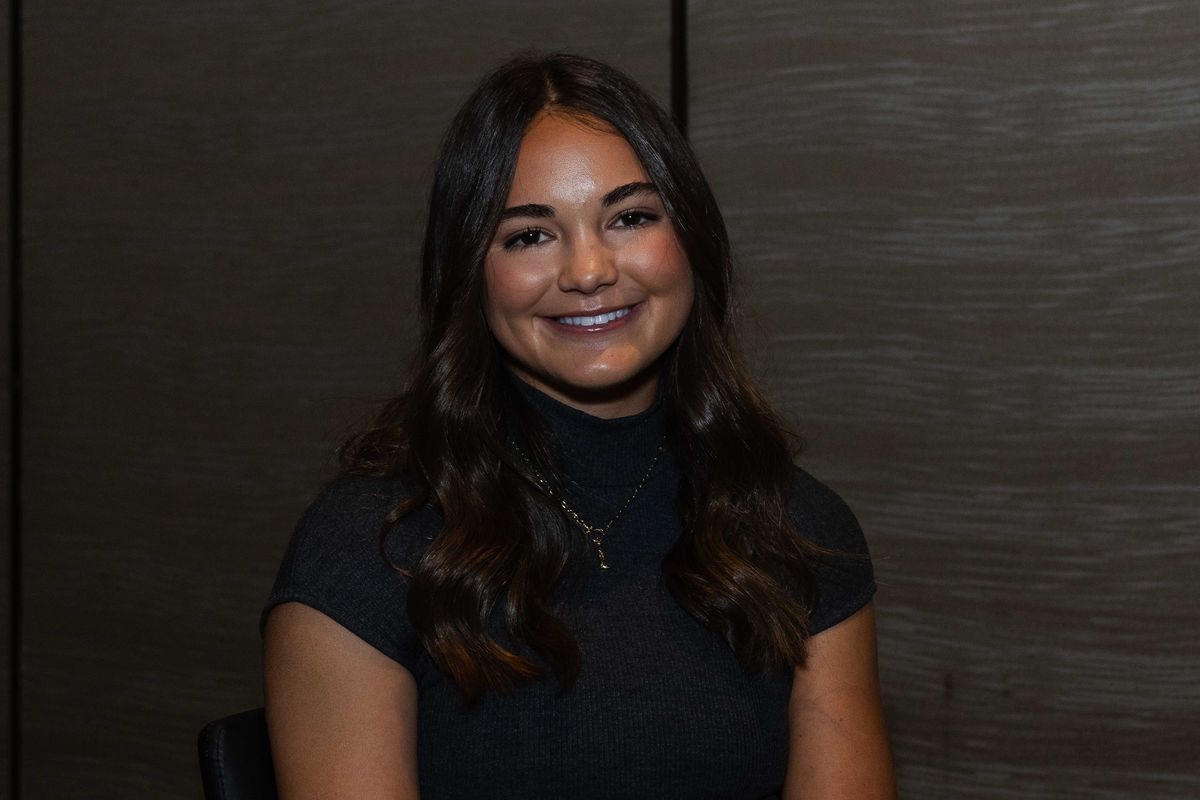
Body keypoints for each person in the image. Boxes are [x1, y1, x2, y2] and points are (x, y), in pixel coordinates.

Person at [261, 52, 896, 799]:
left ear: (690, 239)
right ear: (471, 274)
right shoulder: (370, 546)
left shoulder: (797, 527)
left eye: (630, 218)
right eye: (530, 235)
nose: (589, 270)